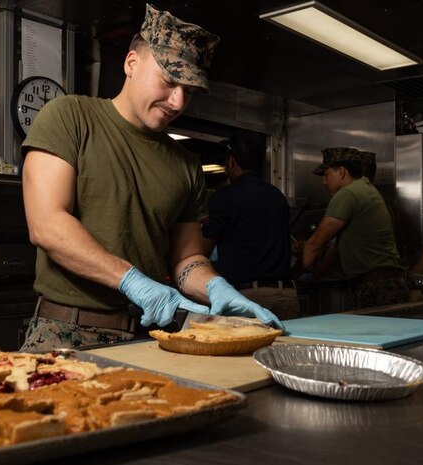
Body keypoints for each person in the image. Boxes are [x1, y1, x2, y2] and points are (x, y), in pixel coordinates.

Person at [19, 4, 283, 352]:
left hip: (150, 338)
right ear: (131, 63)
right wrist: (132, 281)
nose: (177, 101)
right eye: (170, 81)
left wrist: (216, 287)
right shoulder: (69, 117)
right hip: (66, 332)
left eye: (188, 90)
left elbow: (187, 260)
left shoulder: (187, 165)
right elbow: (47, 224)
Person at [202, 130, 301, 320]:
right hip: (286, 295)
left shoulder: (225, 197)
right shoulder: (277, 196)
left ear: (231, 161)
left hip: (247, 297)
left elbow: (201, 251)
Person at [301, 147, 409, 308]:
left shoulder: (347, 194)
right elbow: (338, 248)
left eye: (326, 174)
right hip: (389, 282)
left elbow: (316, 242)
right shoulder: (366, 188)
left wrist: (295, 277)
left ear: (342, 172)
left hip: (373, 286)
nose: (324, 181)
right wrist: (316, 274)